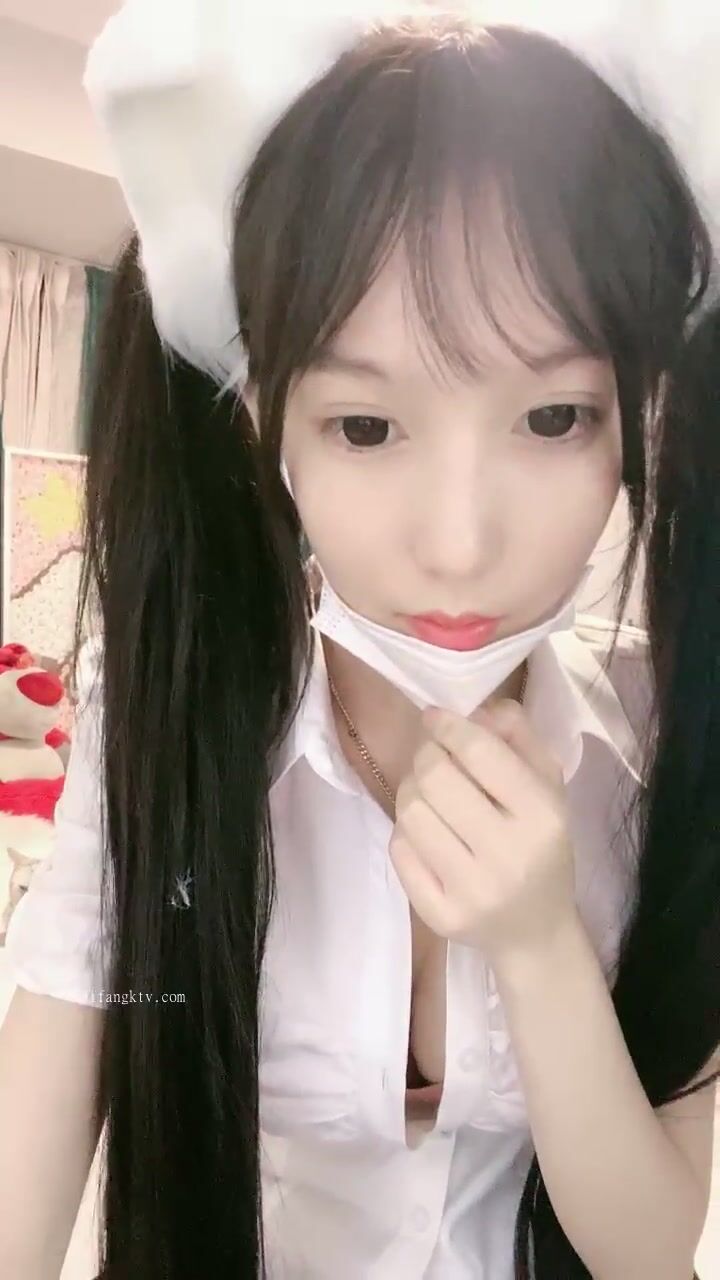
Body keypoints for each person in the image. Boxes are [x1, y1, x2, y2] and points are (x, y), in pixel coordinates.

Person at [0, 2, 718, 1277]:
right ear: (265, 424)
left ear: (638, 416)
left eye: (555, 417)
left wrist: (539, 942)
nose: (459, 543)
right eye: (367, 427)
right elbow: (34, 1127)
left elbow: (653, 1249)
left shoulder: (660, 738)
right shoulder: (171, 713)